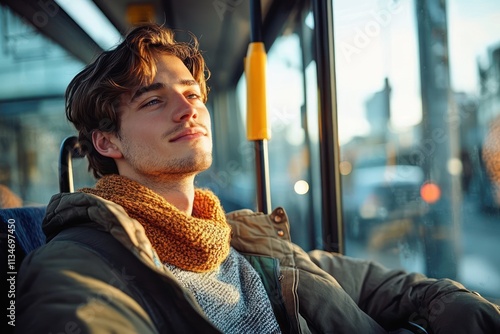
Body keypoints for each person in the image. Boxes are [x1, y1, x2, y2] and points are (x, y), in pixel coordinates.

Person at [15, 23, 500, 334]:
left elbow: (381, 286)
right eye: (154, 101)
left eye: (192, 93)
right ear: (107, 143)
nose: (189, 109)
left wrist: (454, 304)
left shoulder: (242, 237)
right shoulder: (78, 265)